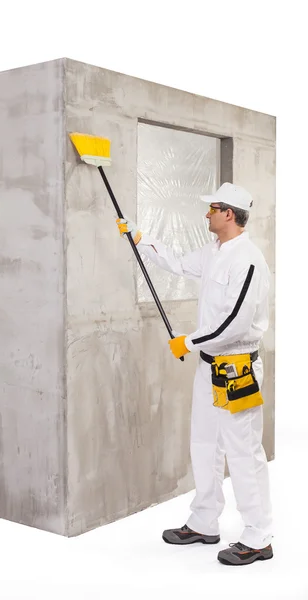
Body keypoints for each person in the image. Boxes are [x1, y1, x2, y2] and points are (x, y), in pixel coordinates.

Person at [117, 182, 273, 566]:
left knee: (243, 452)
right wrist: (140, 238)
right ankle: (205, 522)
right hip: (209, 368)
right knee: (204, 443)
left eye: (213, 208)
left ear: (229, 214)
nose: (207, 214)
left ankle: (258, 537)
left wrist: (188, 342)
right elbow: (179, 263)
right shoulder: (214, 252)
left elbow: (236, 323)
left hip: (237, 368)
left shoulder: (248, 260)